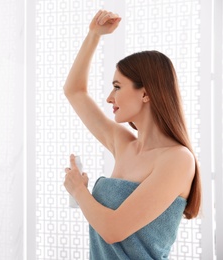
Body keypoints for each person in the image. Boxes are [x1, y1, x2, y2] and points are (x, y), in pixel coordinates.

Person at [63, 10, 201, 259]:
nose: (109, 97)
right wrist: (94, 35)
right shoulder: (123, 143)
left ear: (146, 93)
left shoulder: (178, 159)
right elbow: (74, 91)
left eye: (117, 87)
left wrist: (79, 191)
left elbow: (113, 230)